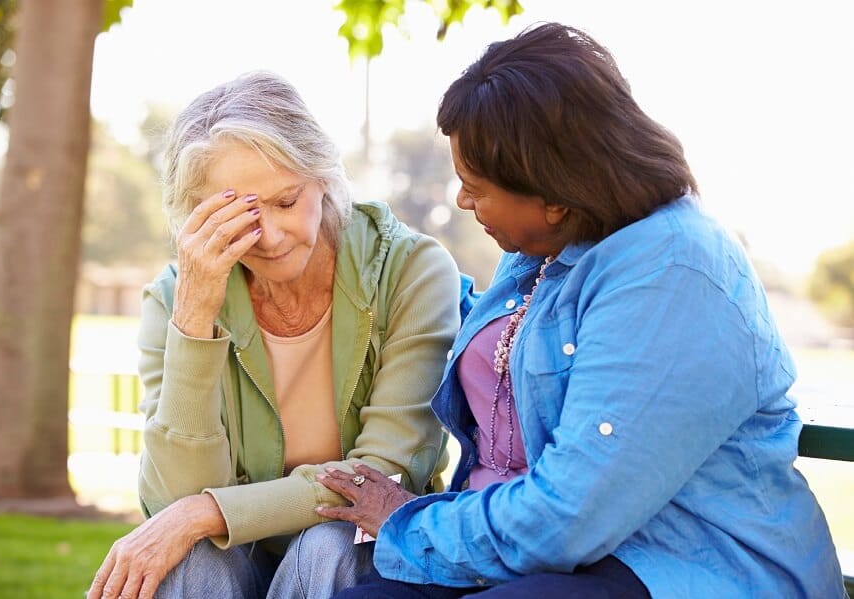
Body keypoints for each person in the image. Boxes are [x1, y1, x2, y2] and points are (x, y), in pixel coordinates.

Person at [316, 22, 847, 598]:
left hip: (686, 564)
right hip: (549, 560)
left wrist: (413, 523)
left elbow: (568, 516)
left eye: (477, 186)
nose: (462, 201)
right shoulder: (543, 254)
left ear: (554, 193)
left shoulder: (672, 272)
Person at [87, 70, 463, 599]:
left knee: (329, 545)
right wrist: (194, 319)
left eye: (286, 201)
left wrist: (205, 512)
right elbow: (172, 500)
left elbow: (379, 480)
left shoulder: (411, 270)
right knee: (193, 562)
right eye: (235, 215)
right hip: (228, 565)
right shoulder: (174, 299)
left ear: (323, 178)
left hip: (354, 563)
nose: (269, 236)